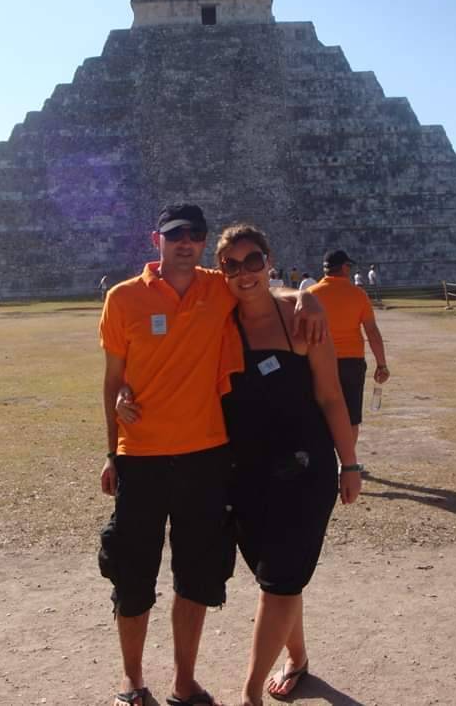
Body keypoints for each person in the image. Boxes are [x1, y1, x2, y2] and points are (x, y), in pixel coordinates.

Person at [120, 225, 361, 706]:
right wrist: (128, 389)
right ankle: (298, 659)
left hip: (304, 468)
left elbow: (332, 397)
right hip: (244, 471)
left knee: (281, 579)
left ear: (270, 260)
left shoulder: (301, 318)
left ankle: (251, 694)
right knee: (275, 575)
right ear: (220, 271)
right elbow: (160, 353)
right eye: (231, 265)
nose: (244, 272)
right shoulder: (218, 313)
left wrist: (349, 464)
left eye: (254, 261)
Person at [307, 250, 389, 437]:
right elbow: (372, 332)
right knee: (351, 416)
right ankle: (347, 463)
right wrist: (381, 364)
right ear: (344, 268)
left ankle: (325, 462)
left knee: (322, 413)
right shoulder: (358, 295)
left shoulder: (310, 295)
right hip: (352, 362)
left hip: (320, 361)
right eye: (349, 267)